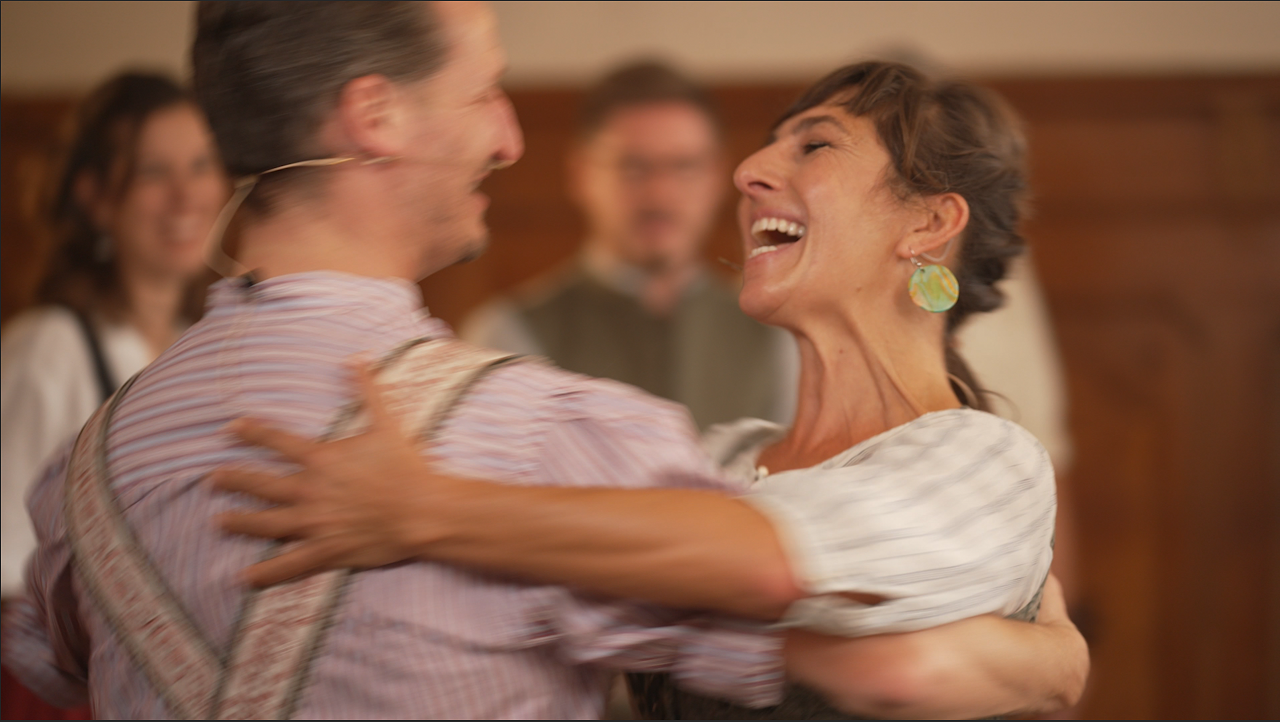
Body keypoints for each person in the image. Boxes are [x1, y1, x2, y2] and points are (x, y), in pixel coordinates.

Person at [0, 5, 1083, 719]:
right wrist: (1045, 657)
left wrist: (427, 508)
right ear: (371, 114)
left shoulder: (95, 453)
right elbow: (868, 647)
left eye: (811, 146)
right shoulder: (608, 446)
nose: (748, 171)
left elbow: (46, 649)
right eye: (485, 92)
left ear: (925, 227)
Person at [462, 61, 796, 429]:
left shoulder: (777, 337)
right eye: (633, 167)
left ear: (717, 177)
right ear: (581, 174)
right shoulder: (506, 336)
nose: (659, 194)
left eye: (684, 166)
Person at [2, 72, 225, 599]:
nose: (186, 194)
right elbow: (8, 567)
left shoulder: (202, 347)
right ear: (96, 197)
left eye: (201, 165)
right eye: (154, 171)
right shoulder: (48, 349)